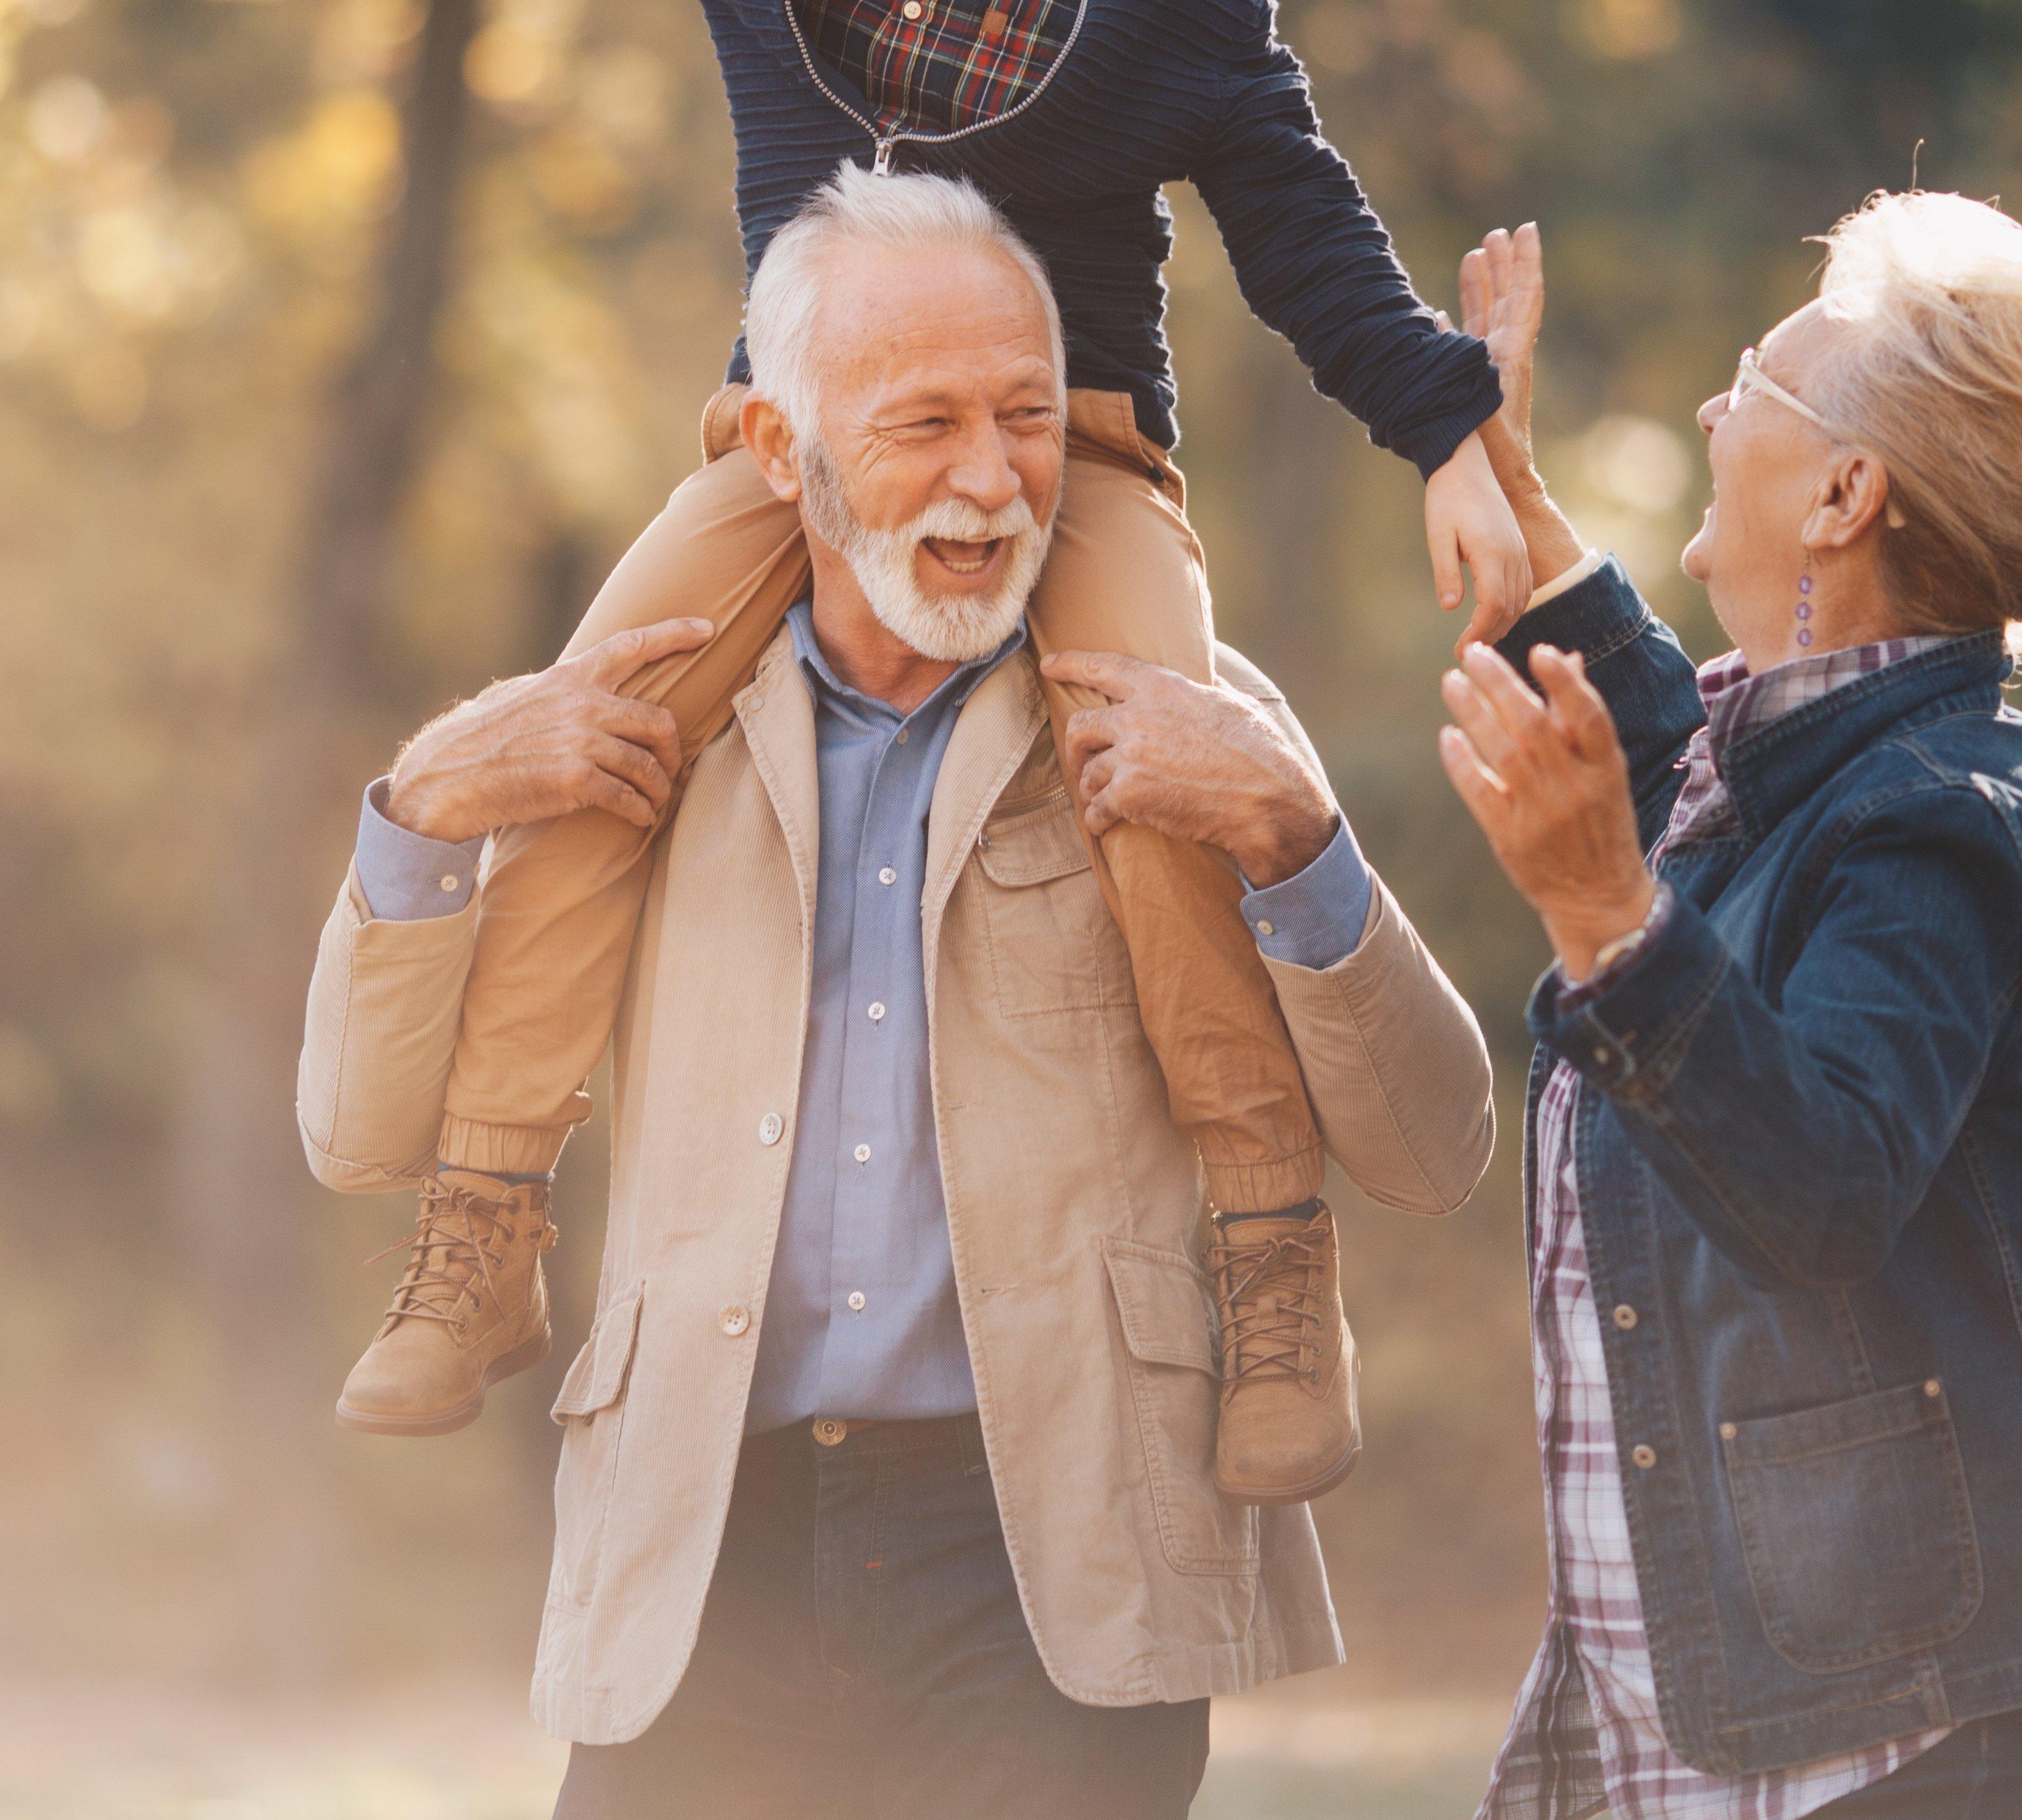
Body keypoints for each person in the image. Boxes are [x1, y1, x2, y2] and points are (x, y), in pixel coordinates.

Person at [120, 0, 1526, 1494]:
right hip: (795, 450)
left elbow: (1305, 232)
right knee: (594, 737)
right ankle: (486, 1224)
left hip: (1084, 458)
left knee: (1157, 776)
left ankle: (1267, 1265)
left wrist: (1450, 430)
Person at [297, 169, 1499, 1815]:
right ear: (786, 456)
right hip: (698, 1549)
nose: (994, 478)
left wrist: (1300, 837)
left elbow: (1437, 1147)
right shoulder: (648, 729)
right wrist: (427, 802)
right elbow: (353, 1129)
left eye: (1023, 416)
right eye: (925, 421)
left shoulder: (1177, 706)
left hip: (1056, 1568)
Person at [1430, 201, 2022, 1817]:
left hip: (1937, 1730)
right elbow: (1669, 747)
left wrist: (1603, 915)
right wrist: (1509, 477)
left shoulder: (1942, 819)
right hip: (1779, 1702)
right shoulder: (1794, 772)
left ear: (1848, 494)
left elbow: (1825, 1182)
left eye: (1756, 380)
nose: (1715, 409)